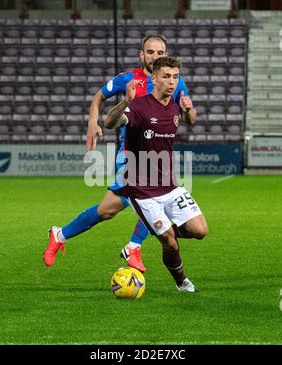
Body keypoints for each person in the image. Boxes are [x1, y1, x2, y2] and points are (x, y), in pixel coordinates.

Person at [43, 35, 193, 273]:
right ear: (141, 55)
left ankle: (59, 234)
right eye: (151, 52)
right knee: (152, 197)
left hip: (156, 156)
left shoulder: (173, 80)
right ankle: (133, 247)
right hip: (130, 154)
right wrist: (93, 123)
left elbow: (183, 114)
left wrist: (188, 111)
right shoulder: (128, 79)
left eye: (160, 52)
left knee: (107, 210)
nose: (156, 56)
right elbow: (98, 97)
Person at [104, 56, 208, 292]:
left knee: (200, 231)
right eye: (166, 76)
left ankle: (159, 231)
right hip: (141, 190)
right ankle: (182, 282)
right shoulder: (139, 106)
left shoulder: (174, 106)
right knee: (170, 243)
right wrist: (125, 102)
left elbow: (190, 120)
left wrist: (189, 108)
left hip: (170, 185)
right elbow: (110, 122)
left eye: (175, 77)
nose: (171, 82)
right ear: (154, 79)